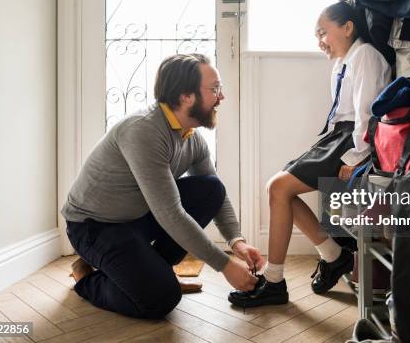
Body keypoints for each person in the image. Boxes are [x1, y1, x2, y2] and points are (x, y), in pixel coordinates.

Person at [61, 53, 264, 319]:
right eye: (214, 89)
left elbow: (216, 197)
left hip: (137, 218)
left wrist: (237, 242)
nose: (221, 97)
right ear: (185, 96)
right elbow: (170, 214)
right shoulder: (143, 131)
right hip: (95, 227)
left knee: (211, 188)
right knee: (161, 299)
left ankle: (151, 272)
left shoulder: (192, 139)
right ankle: (85, 276)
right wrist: (225, 265)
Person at [228, 1, 392, 307]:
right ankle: (333, 256)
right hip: (337, 137)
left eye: (323, 33)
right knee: (279, 189)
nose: (320, 42)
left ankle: (275, 281)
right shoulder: (343, 63)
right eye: (316, 35)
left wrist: (355, 156)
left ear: (347, 27)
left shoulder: (365, 56)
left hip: (351, 140)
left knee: (278, 187)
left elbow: (367, 114)